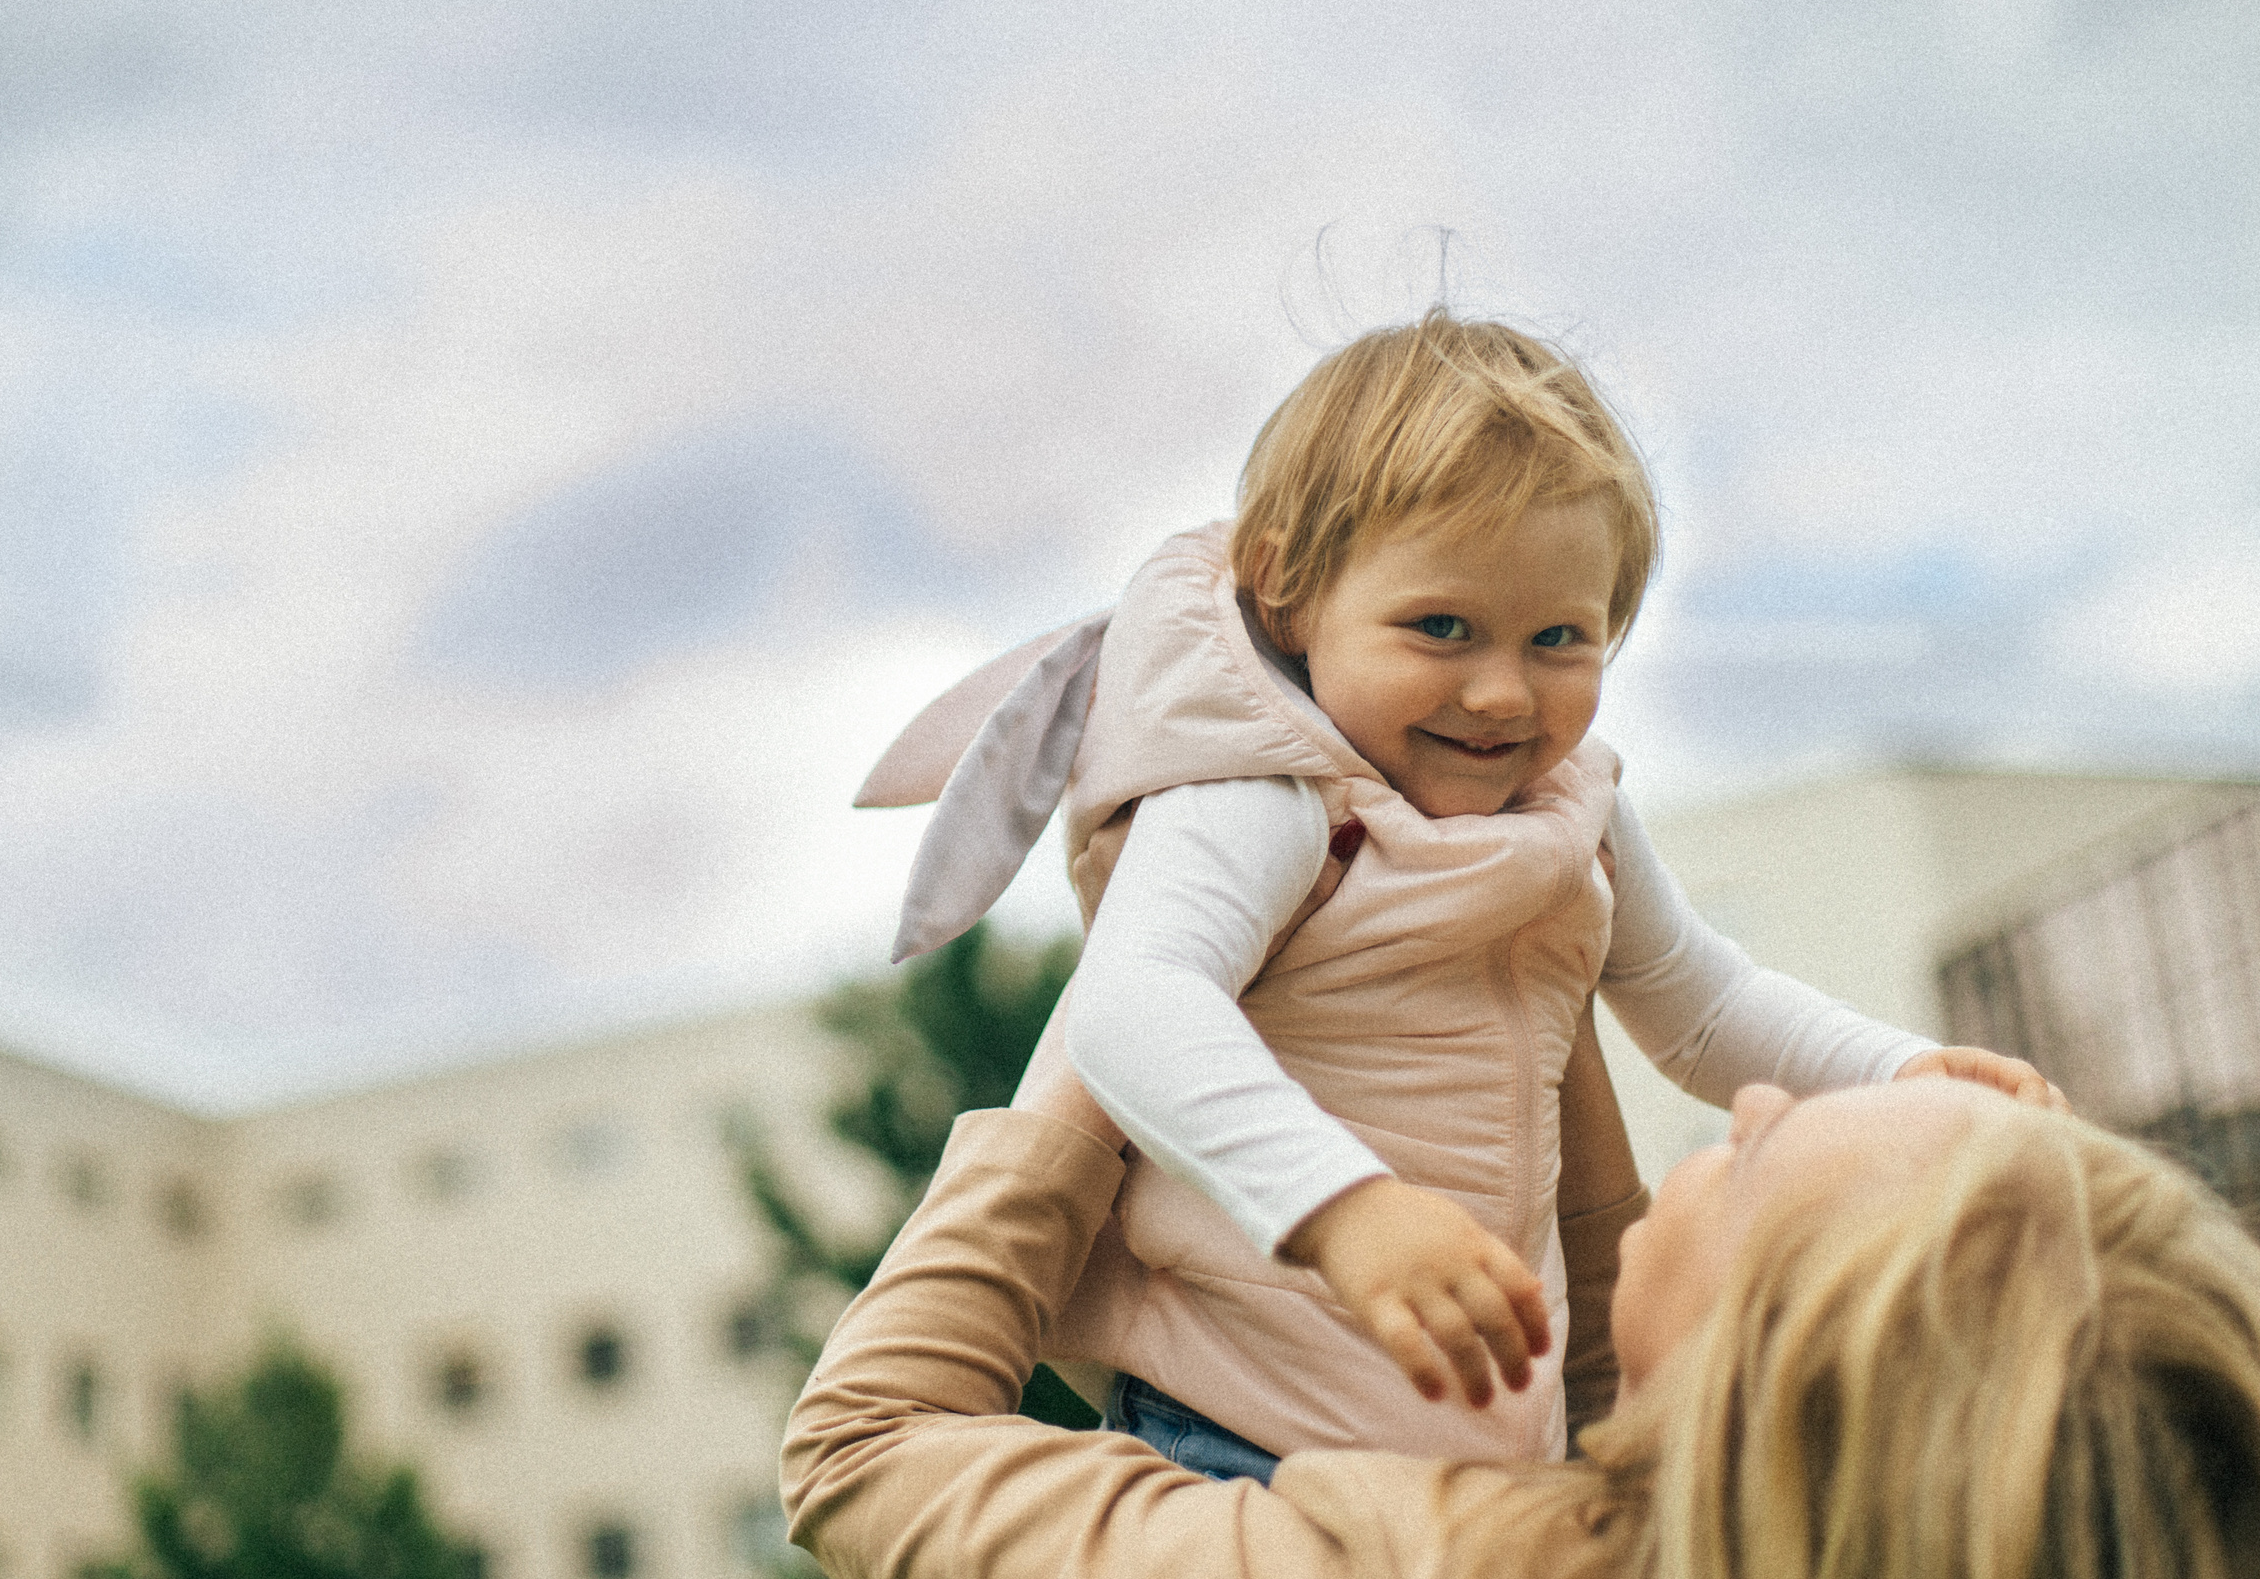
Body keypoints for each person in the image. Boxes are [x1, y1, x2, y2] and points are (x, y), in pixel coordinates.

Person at [858, 311, 2060, 1475]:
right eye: (1441, 627)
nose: (1501, 694)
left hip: (1484, 1443)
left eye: (1558, 640)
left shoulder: (1572, 809)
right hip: (1243, 1437)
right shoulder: (1268, 798)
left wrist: (1901, 1074)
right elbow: (1134, 1006)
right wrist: (1344, 1210)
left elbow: (1703, 1007)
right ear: (1285, 591)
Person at [781, 1066, 2260, 1579]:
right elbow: (1625, 1397)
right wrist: (1538, 1011)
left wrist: (1117, 1037)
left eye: (1753, 1154)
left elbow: (861, 1450)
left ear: (1734, 1412)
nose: (1748, 1093)